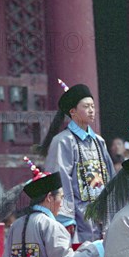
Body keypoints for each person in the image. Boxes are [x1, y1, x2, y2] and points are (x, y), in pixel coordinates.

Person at [40, 83, 115, 243]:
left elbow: (110, 178)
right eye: (86, 106)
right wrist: (65, 218)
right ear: (72, 111)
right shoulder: (62, 141)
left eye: (93, 106)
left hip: (100, 214)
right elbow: (59, 180)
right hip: (78, 217)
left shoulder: (99, 141)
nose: (91, 110)